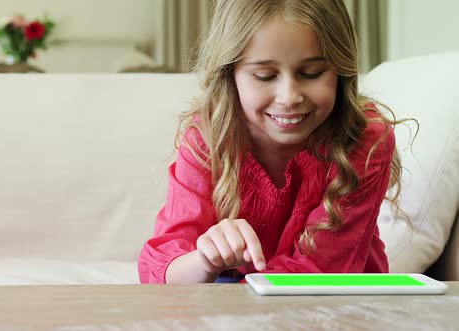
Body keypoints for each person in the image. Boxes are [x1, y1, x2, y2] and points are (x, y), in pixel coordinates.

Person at [138, 0, 410, 284]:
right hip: (238, 298)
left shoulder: (363, 138)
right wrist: (204, 261)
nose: (289, 96)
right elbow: (162, 269)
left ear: (342, 70)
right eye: (265, 76)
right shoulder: (208, 140)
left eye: (312, 73)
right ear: (229, 74)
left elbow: (319, 271)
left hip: (331, 300)